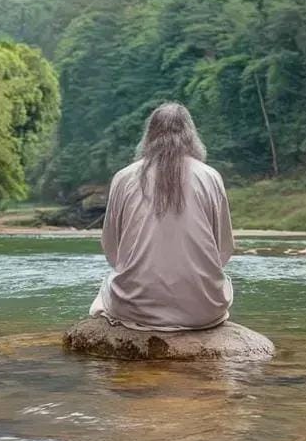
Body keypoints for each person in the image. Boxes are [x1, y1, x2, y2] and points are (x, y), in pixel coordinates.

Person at [89, 102, 235, 331]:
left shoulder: (123, 177)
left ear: (149, 135)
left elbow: (112, 251)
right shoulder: (210, 177)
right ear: (191, 135)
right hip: (203, 310)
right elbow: (223, 251)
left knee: (106, 287)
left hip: (134, 307)